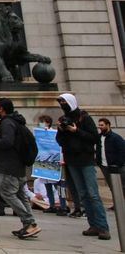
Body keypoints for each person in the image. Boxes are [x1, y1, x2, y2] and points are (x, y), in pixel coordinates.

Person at [0, 98, 41, 239]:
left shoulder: (7, 123)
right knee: (22, 196)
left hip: (9, 166)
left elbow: (7, 142)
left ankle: (29, 223)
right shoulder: (16, 121)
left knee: (7, 194)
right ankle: (29, 225)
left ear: (1, 109)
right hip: (18, 165)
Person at [56, 93, 109, 240]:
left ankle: (103, 227)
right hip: (71, 160)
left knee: (93, 194)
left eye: (64, 102)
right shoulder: (63, 120)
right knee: (83, 195)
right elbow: (59, 141)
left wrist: (76, 131)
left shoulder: (84, 118)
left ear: (70, 102)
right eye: (60, 102)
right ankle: (93, 225)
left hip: (85, 160)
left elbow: (94, 137)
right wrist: (61, 130)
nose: (62, 104)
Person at [97, 118, 125, 209]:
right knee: (112, 186)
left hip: (116, 166)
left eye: (102, 125)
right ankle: (116, 203)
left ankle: (122, 203)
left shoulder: (115, 137)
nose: (100, 127)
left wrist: (118, 163)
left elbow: (122, 150)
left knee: (121, 186)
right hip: (104, 166)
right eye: (99, 125)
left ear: (108, 125)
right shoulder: (99, 137)